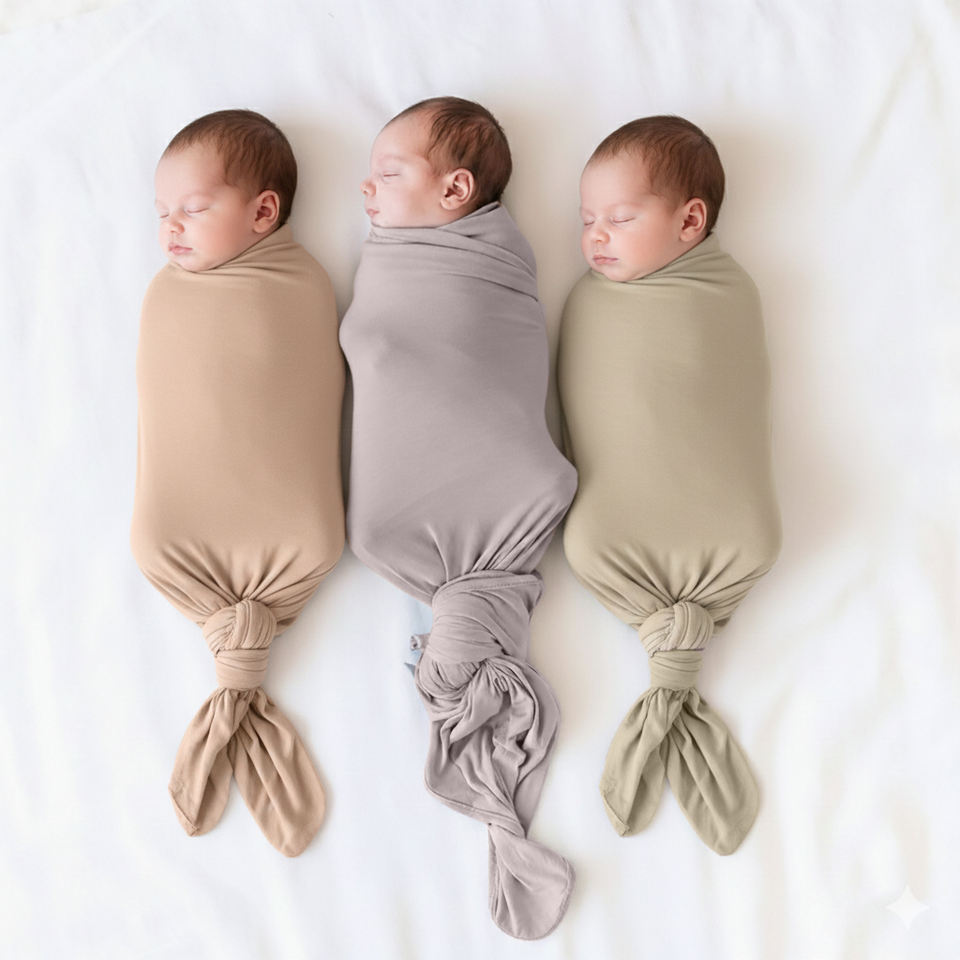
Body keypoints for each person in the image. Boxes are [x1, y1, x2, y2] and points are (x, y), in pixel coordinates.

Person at [341, 97, 576, 939]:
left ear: (456, 192)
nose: (365, 189)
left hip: (504, 476)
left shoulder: (492, 261)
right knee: (379, 526)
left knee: (381, 532)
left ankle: (472, 662)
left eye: (388, 172)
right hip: (443, 500)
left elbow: (487, 348)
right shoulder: (394, 256)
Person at [559, 115, 782, 855]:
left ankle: (673, 701)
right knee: (593, 532)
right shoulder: (587, 300)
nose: (596, 236)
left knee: (744, 525)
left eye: (621, 219)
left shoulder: (728, 292)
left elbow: (733, 396)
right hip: (614, 531)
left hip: (729, 528)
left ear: (690, 222)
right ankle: (670, 696)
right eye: (587, 220)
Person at [131, 109, 344, 856]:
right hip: (181, 530)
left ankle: (239, 697)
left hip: (291, 535)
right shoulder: (166, 292)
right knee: (157, 529)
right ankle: (237, 688)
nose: (171, 227)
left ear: (263, 212)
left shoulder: (303, 285)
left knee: (304, 523)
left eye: (192, 208)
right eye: (162, 211)